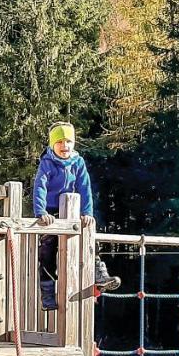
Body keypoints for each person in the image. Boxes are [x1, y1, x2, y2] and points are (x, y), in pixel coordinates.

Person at [34, 121, 121, 311]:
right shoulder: (47, 163)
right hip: (52, 212)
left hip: (73, 212)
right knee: (48, 251)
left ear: (74, 143)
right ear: (52, 145)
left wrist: (87, 212)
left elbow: (84, 187)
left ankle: (100, 274)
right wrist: (41, 212)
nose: (64, 146)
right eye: (59, 142)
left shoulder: (78, 162)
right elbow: (40, 186)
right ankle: (48, 294)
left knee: (88, 239)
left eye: (68, 142)